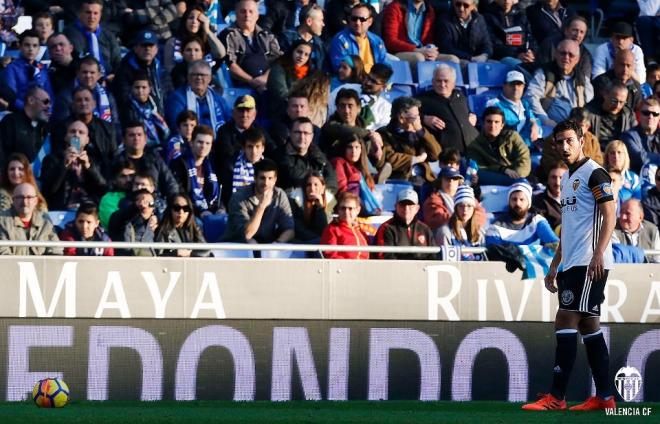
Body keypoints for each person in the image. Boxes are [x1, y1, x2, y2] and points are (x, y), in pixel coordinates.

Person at [522, 119, 617, 412]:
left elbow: (610, 214)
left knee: (565, 318)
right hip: (572, 263)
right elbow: (570, 226)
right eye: (559, 142)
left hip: (589, 262)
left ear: (581, 138)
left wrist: (599, 253)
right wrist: (554, 265)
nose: (564, 147)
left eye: (569, 141)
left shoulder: (595, 173)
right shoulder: (569, 177)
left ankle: (557, 397)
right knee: (589, 324)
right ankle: (604, 397)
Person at [223, 158, 295, 243]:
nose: (266, 183)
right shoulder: (239, 197)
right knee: (252, 243)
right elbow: (247, 234)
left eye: (270, 178)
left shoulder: (279, 194)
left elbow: (290, 230)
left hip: (267, 245)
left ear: (275, 180)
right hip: (236, 245)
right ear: (255, 178)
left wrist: (277, 244)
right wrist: (261, 206)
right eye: (262, 178)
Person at [40, 120, 108, 210]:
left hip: (88, 212)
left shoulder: (95, 161)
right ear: (66, 137)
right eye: (72, 131)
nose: (76, 135)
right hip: (60, 210)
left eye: (81, 132)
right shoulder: (52, 160)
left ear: (87, 140)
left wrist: (89, 167)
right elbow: (48, 191)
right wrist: (64, 166)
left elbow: (104, 189)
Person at [526, 39, 593, 127]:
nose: (566, 57)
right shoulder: (543, 73)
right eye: (563, 53)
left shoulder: (583, 80)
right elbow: (530, 97)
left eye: (571, 55)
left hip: (574, 129)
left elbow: (588, 105)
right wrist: (545, 119)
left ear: (577, 59)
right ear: (556, 54)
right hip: (547, 126)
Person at [55, 87, 117, 179]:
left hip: (101, 174)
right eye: (79, 100)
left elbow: (113, 155)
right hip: (70, 173)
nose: (83, 103)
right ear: (72, 105)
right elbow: (58, 153)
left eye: (87, 99)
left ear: (94, 104)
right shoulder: (62, 128)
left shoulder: (107, 128)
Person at [220, 0, 282, 90]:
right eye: (243, 11)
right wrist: (251, 81)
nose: (247, 15)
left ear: (257, 16)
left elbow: (279, 61)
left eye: (251, 11)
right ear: (236, 14)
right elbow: (230, 65)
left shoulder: (267, 36)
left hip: (268, 84)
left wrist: (264, 78)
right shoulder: (228, 35)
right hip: (241, 87)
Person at [416, 64, 478, 154]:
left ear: (453, 83)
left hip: (474, 148)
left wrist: (472, 115)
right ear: (433, 81)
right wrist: (424, 119)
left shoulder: (460, 95)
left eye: (446, 81)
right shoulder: (422, 99)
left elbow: (468, 111)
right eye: (438, 81)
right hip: (448, 155)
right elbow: (404, 114)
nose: (442, 84)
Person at [378, 96, 441, 184]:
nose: (418, 120)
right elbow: (389, 158)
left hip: (425, 179)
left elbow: (436, 155)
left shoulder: (420, 133)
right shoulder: (384, 133)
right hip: (401, 179)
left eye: (419, 116)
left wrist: (421, 132)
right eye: (415, 117)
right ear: (401, 118)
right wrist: (417, 159)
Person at [112, 122, 180, 199]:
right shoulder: (116, 161)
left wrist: (174, 202)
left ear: (145, 139)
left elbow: (170, 183)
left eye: (139, 135)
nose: (136, 138)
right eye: (131, 135)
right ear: (123, 140)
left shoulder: (155, 159)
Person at [467, 106, 531, 186]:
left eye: (496, 122)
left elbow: (524, 159)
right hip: (492, 179)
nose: (492, 125)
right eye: (489, 121)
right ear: (483, 123)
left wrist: (517, 177)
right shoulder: (475, 146)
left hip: (517, 177)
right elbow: (478, 169)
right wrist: (503, 170)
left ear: (502, 125)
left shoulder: (513, 137)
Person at [164, 60, 231, 135]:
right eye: (194, 75)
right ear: (188, 77)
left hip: (216, 142)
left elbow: (229, 122)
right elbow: (176, 125)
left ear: (209, 78)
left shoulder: (218, 99)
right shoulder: (176, 98)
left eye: (202, 75)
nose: (199, 78)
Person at [538, 107, 603, 182]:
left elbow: (598, 163)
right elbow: (548, 163)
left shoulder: (592, 140)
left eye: (580, 125)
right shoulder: (555, 139)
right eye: (573, 124)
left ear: (587, 127)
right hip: (561, 181)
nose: (576, 128)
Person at [275, 117, 338, 193]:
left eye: (306, 133)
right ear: (290, 134)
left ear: (312, 136)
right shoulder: (280, 154)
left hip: (319, 196)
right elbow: (293, 176)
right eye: (297, 132)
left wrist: (322, 193)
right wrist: (318, 181)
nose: (302, 137)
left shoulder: (318, 154)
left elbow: (332, 181)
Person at [486, 181, 559, 246]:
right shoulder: (496, 227)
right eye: (514, 199)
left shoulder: (537, 221)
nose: (517, 203)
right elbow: (495, 254)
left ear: (529, 203)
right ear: (509, 202)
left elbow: (554, 243)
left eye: (522, 200)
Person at [171, 125, 222, 217]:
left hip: (210, 211)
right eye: (200, 142)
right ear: (191, 143)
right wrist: (200, 212)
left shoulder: (213, 165)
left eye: (207, 143)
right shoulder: (179, 164)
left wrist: (221, 208)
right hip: (187, 213)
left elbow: (217, 196)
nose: (203, 146)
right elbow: (179, 195)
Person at [162, 5, 226, 78]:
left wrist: (207, 30)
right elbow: (169, 69)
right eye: (190, 18)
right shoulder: (172, 42)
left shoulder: (208, 41)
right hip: (180, 81)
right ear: (185, 20)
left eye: (198, 19)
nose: (194, 21)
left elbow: (221, 54)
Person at [64, 0, 121, 78]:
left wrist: (114, 76)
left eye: (95, 13)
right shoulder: (69, 34)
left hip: (108, 81)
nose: (92, 17)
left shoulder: (109, 36)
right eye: (88, 12)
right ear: (79, 13)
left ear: (100, 15)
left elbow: (118, 62)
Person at [0, 183, 62, 256]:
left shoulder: (45, 220)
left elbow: (56, 250)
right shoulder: (2, 221)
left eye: (29, 197)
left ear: (35, 201)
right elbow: (3, 253)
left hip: (40, 266)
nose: (25, 202)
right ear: (13, 200)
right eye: (20, 197)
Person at [374, 188, 436, 260]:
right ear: (395, 206)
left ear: (417, 208)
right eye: (402, 204)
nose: (406, 208)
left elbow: (433, 256)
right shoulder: (387, 228)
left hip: (422, 270)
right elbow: (385, 257)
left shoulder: (425, 229)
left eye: (410, 205)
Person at [113, 30, 165, 114]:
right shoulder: (124, 70)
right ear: (136, 48)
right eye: (143, 45)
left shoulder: (161, 68)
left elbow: (167, 93)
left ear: (156, 49)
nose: (147, 49)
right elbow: (124, 100)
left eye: (150, 45)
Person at [328, 63, 394, 131]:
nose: (368, 82)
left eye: (373, 82)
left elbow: (381, 133)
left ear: (383, 87)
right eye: (368, 77)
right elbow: (328, 109)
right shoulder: (346, 88)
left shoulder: (385, 108)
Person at [0, 29, 53, 113]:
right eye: (27, 45)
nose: (31, 49)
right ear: (20, 47)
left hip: (42, 115)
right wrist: (29, 111)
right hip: (20, 114)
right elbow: (11, 97)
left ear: (39, 49)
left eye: (35, 46)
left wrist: (47, 112)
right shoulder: (12, 68)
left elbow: (49, 95)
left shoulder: (42, 68)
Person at [0, 87, 51, 171]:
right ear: (31, 100)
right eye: (45, 102)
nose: (49, 106)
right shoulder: (11, 122)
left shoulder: (45, 128)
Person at [329, 3, 388, 74]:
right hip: (350, 82)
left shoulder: (377, 41)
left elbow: (385, 65)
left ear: (370, 21)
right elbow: (339, 67)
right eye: (354, 19)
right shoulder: (340, 40)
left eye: (362, 19)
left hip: (373, 80)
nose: (357, 23)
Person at [486, 70, 541, 147]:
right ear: (504, 86)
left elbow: (534, 119)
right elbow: (493, 130)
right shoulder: (494, 104)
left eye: (519, 84)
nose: (516, 88)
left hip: (526, 148)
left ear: (523, 87)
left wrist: (534, 125)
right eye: (512, 84)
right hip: (505, 149)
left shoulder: (525, 104)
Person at [331, 134, 381, 215]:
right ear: (344, 149)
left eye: (357, 147)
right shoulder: (338, 162)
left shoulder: (361, 168)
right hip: (347, 208)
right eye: (350, 147)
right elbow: (342, 191)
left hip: (359, 208)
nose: (354, 151)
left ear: (361, 149)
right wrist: (359, 205)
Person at [381, 0, 438, 66]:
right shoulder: (395, 8)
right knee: (419, 58)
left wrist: (431, 50)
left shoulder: (429, 10)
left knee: (451, 59)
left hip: (422, 50)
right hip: (399, 52)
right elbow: (390, 41)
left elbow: (429, 38)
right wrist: (416, 50)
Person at [436, 0, 493, 66]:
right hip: (458, 59)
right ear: (453, 3)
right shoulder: (444, 20)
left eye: (466, 5)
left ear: (473, 6)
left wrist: (484, 55)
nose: (461, 8)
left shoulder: (479, 19)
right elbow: (446, 48)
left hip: (477, 58)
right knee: (466, 65)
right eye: (458, 4)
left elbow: (487, 43)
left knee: (495, 65)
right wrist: (470, 58)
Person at [437, 184, 486, 260]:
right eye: (461, 206)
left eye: (469, 206)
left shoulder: (479, 232)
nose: (465, 210)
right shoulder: (445, 232)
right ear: (455, 208)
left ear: (474, 209)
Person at [121, 72, 170, 147]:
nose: (140, 91)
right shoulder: (128, 108)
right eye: (137, 87)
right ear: (131, 88)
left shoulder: (156, 105)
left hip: (161, 144)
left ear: (150, 89)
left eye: (144, 87)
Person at [266, 39, 313, 118]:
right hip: (279, 113)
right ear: (292, 51)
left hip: (302, 114)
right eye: (299, 52)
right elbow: (281, 94)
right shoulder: (279, 67)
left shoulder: (309, 73)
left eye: (306, 54)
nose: (302, 57)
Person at [537, 15, 592, 81]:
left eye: (581, 32)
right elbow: (542, 69)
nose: (577, 35)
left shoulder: (585, 55)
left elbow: (585, 79)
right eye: (575, 30)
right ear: (566, 31)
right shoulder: (549, 45)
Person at [482, 0, 535, 66]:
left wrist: (531, 52)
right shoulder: (487, 17)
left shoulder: (521, 15)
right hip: (503, 59)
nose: (506, 0)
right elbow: (492, 45)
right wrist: (517, 54)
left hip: (525, 57)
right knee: (521, 67)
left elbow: (530, 38)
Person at [320, 191, 370, 259]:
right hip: (344, 268)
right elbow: (330, 255)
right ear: (338, 210)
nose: (346, 212)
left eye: (350, 208)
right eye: (343, 208)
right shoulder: (332, 230)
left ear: (358, 210)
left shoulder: (361, 230)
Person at [586, 83, 637, 149]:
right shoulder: (589, 113)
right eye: (614, 101)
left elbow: (635, 136)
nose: (617, 106)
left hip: (619, 154)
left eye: (622, 102)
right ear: (605, 94)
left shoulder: (629, 115)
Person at [279, 4, 328, 72]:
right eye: (320, 20)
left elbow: (321, 70)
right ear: (309, 21)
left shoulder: (318, 44)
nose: (323, 24)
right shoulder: (286, 39)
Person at [289, 171, 333, 243]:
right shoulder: (295, 201)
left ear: (322, 188)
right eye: (308, 185)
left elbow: (324, 229)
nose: (312, 188)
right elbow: (298, 229)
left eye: (316, 185)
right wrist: (317, 240)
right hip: (301, 242)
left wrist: (320, 207)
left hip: (320, 241)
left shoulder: (330, 202)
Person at [612, 198, 660, 263]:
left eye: (628, 213)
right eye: (621, 212)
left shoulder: (652, 230)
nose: (623, 217)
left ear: (640, 217)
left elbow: (657, 259)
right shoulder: (612, 228)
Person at [227, 126, 266, 202]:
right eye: (250, 147)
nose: (254, 151)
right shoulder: (231, 165)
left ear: (263, 148)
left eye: (257, 146)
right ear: (243, 148)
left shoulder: (269, 167)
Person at [621, 98, 660, 173]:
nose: (650, 117)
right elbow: (640, 158)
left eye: (655, 114)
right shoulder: (628, 136)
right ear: (639, 115)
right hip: (637, 180)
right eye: (646, 113)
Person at [47, 33, 78, 122]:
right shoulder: (48, 74)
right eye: (53, 47)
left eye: (61, 44)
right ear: (49, 53)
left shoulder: (83, 66)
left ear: (71, 48)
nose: (58, 48)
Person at [119, 188, 158, 256]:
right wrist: (136, 208)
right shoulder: (123, 220)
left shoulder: (154, 224)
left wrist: (157, 219)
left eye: (150, 203)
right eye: (139, 201)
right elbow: (121, 215)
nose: (145, 205)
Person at [604, 140, 643, 206]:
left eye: (619, 152)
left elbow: (637, 203)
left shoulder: (634, 178)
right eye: (612, 153)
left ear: (625, 156)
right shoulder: (600, 176)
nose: (616, 156)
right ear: (607, 157)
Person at [533, 161, 567, 232]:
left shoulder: (579, 199)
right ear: (548, 180)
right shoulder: (538, 201)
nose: (557, 182)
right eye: (553, 177)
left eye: (561, 178)